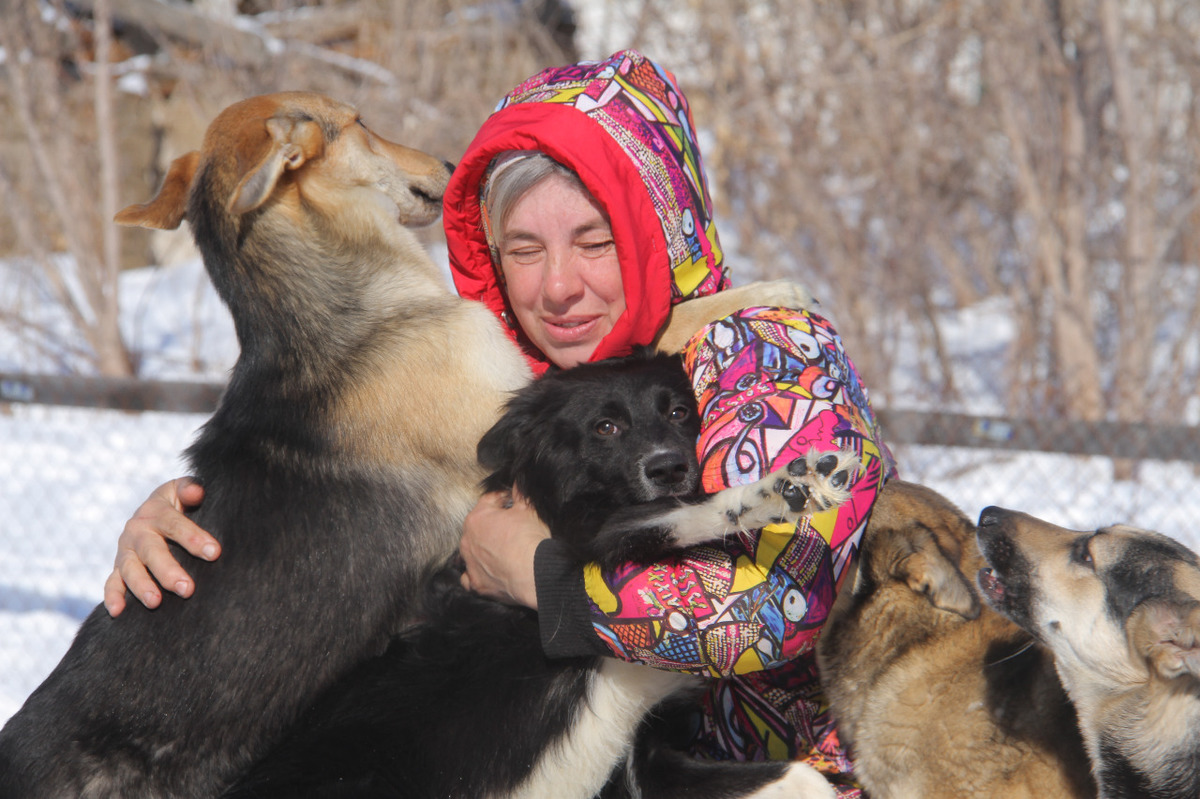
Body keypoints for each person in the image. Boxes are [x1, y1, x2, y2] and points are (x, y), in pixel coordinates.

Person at [104, 50, 894, 795]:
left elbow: (775, 601)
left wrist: (549, 580)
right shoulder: (519, 407)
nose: (557, 286)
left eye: (593, 241)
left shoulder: (763, 351)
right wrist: (208, 550)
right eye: (523, 248)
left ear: (658, 233)